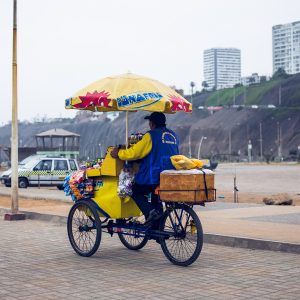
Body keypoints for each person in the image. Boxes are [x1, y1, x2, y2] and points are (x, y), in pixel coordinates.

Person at [110, 112, 179, 225]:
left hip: (154, 175)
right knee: (156, 198)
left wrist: (119, 153)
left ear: (152, 123)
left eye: (149, 122)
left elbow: (135, 153)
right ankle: (156, 229)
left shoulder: (151, 135)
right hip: (170, 175)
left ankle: (150, 212)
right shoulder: (173, 135)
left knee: (134, 190)